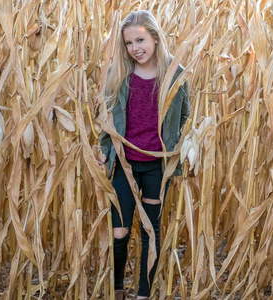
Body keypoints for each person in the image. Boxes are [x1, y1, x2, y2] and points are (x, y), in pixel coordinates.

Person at [98, 10, 189, 300]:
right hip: (123, 164)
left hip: (156, 166)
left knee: (151, 230)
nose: (135, 48)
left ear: (155, 38)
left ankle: (143, 294)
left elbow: (185, 116)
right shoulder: (118, 75)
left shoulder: (176, 75)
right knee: (120, 231)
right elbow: (107, 118)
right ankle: (117, 289)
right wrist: (104, 150)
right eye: (128, 43)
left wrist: (179, 150)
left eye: (140, 40)